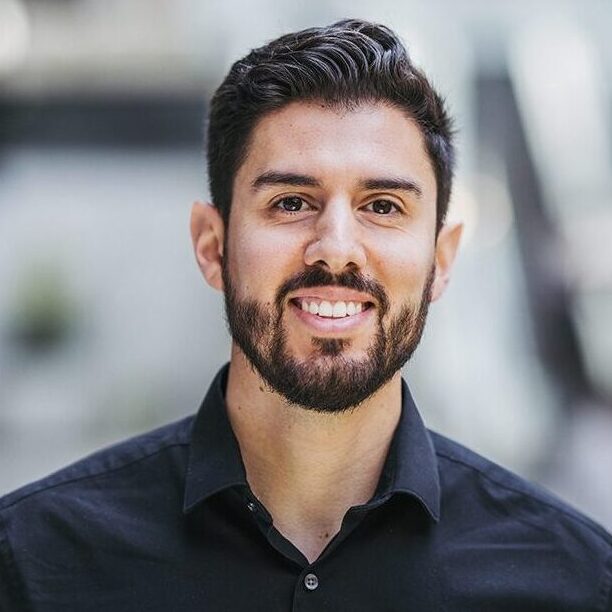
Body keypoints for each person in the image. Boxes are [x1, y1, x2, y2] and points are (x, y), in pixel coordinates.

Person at [1, 18, 611, 612]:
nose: (337, 247)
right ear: (212, 247)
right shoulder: (32, 562)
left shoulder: (578, 581)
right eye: (292, 202)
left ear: (441, 261)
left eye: (383, 205)